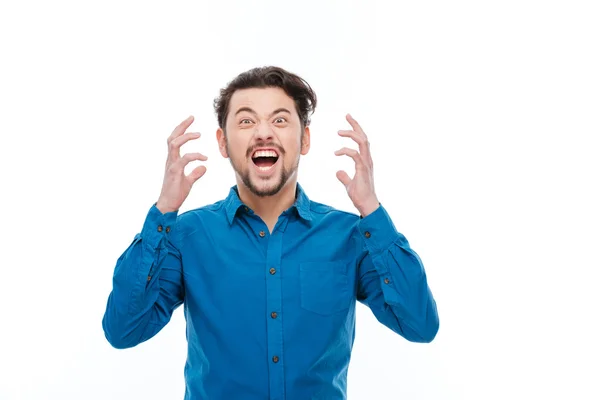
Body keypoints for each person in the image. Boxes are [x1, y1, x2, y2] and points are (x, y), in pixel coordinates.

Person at [102, 66, 439, 400]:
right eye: (246, 121)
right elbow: (123, 329)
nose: (263, 133)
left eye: (279, 120)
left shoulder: (350, 235)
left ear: (305, 139)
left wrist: (372, 212)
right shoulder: (186, 234)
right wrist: (163, 210)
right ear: (223, 142)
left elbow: (419, 324)